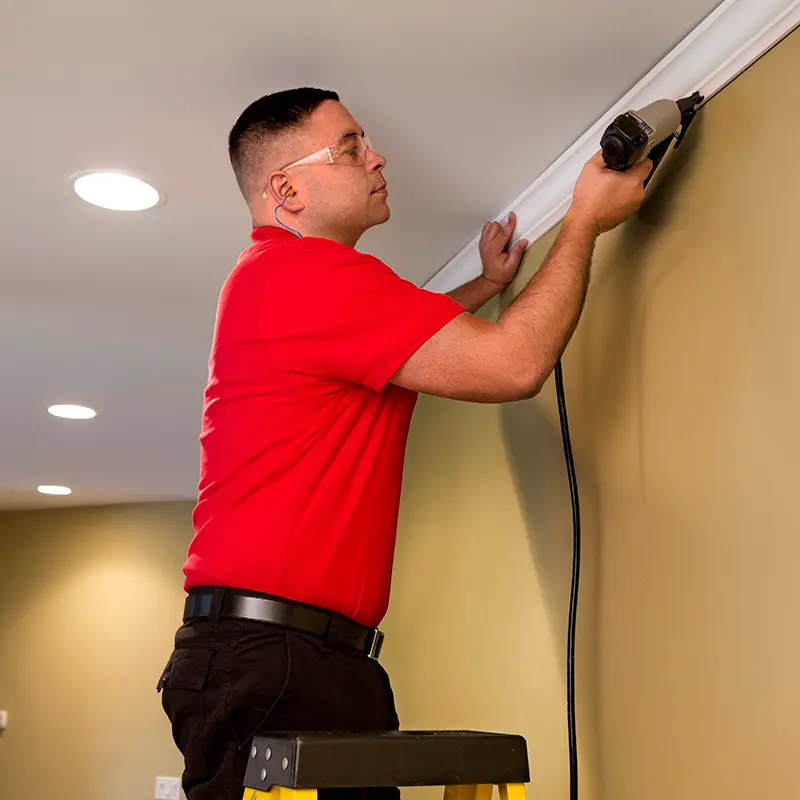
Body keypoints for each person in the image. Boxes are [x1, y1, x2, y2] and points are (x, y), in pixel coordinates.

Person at [157, 87, 653, 800]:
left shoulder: (290, 285)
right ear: (286, 188)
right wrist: (582, 220)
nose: (377, 156)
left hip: (301, 657)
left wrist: (485, 283)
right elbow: (515, 364)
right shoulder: (303, 274)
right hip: (273, 657)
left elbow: (407, 341)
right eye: (352, 146)